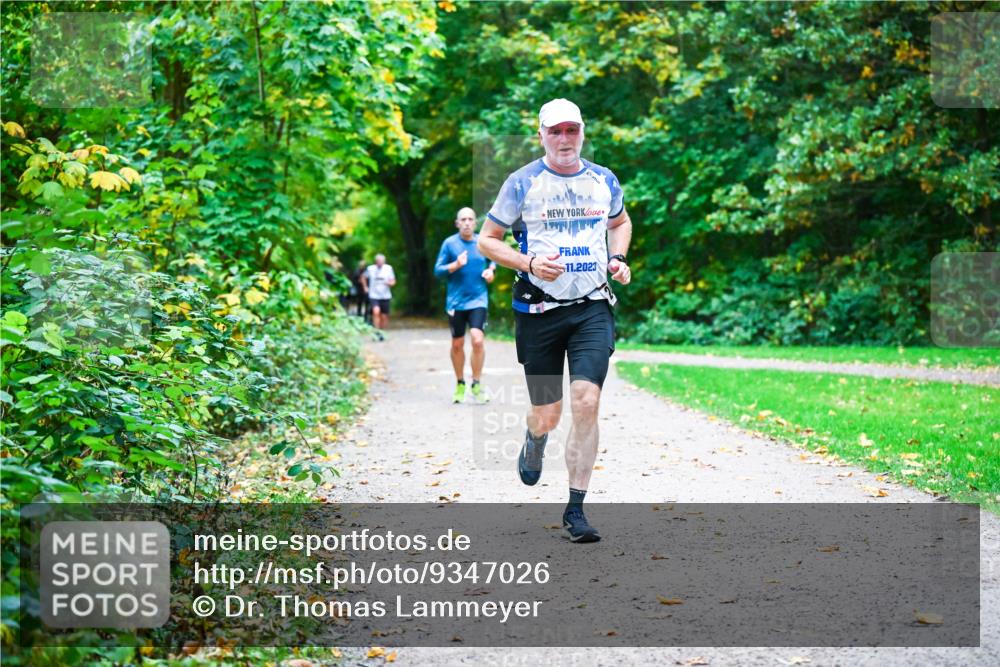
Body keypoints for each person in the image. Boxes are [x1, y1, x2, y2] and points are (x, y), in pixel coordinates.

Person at [478, 98, 632, 543]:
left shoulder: (604, 180)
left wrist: (618, 258)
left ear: (582, 132)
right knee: (547, 412)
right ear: (540, 134)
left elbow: (620, 223)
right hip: (537, 312)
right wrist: (527, 263)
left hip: (592, 306)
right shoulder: (521, 182)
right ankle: (535, 436)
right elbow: (489, 241)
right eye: (555, 131)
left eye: (572, 130)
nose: (564, 139)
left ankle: (575, 510)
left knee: (586, 401)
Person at [434, 207, 497, 404]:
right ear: (457, 223)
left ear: (475, 223)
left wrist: (491, 271)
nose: (467, 222)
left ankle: (476, 383)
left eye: (471, 219)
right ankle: (460, 382)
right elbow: (438, 271)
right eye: (464, 219)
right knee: (457, 343)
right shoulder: (450, 244)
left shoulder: (482, 242)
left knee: (477, 340)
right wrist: (455, 265)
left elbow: (493, 260)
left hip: (478, 299)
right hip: (456, 302)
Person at [360, 253, 396, 336]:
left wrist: (390, 283)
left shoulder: (388, 268)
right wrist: (365, 287)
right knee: (376, 312)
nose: (380, 263)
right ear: (376, 261)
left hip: (385, 295)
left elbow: (393, 281)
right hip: (374, 295)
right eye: (378, 261)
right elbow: (363, 277)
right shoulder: (370, 269)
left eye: (382, 261)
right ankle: (376, 331)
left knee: (384, 316)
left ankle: (382, 331)